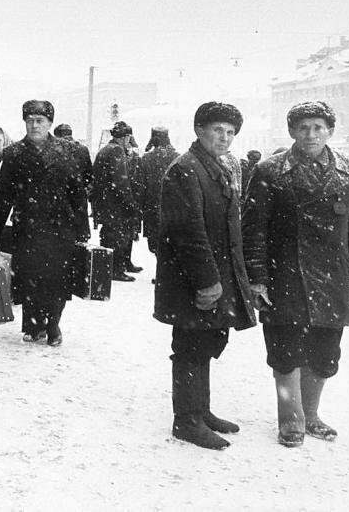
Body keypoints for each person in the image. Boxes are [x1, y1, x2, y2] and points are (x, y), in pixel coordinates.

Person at [243, 101, 349, 448]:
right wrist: (257, 277)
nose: (311, 134)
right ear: (291, 131)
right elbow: (254, 229)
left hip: (333, 276)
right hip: (284, 275)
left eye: (318, 127)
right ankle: (291, 419)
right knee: (285, 350)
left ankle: (312, 413)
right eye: (303, 127)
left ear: (330, 132)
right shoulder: (270, 171)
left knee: (324, 353)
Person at [155, 102, 256, 450]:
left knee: (207, 343)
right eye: (217, 130)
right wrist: (207, 282)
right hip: (193, 280)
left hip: (216, 274)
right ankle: (186, 420)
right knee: (189, 347)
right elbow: (189, 232)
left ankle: (202, 411)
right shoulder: (185, 169)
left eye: (230, 133)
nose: (224, 138)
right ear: (199, 130)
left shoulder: (221, 165)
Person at [0, 100, 89, 346]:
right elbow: (4, 197)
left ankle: (53, 324)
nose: (34, 126)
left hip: (60, 228)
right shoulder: (14, 154)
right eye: (30, 120)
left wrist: (82, 228)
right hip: (28, 228)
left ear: (49, 123)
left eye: (40, 121)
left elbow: (77, 194)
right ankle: (34, 325)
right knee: (30, 278)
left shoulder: (68, 152)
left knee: (58, 280)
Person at [91, 121, 140, 281]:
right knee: (118, 237)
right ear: (125, 137)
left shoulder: (105, 149)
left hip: (105, 202)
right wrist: (130, 202)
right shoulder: (117, 151)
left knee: (109, 235)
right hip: (115, 204)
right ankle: (116, 270)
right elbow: (121, 181)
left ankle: (110, 267)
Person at [135, 126, 178, 258]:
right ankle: (165, 274)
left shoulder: (146, 159)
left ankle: (161, 273)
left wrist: (138, 213)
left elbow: (140, 189)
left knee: (155, 244)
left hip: (152, 208)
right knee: (170, 243)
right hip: (172, 210)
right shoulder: (177, 158)